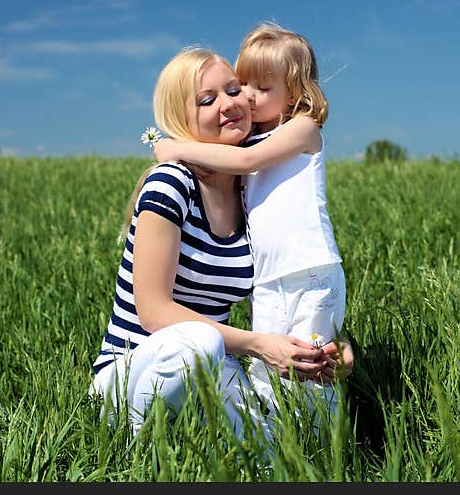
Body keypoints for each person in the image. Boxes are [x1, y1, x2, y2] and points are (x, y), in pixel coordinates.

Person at [90, 46, 353, 440]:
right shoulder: (171, 184)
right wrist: (259, 346)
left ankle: (187, 442)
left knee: (276, 448)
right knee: (199, 343)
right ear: (182, 119)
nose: (231, 104)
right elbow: (154, 312)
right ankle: (132, 441)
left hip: (213, 363)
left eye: (234, 90)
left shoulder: (250, 193)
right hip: (133, 370)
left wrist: (329, 346)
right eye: (207, 100)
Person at [153, 24, 347, 424]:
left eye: (263, 87)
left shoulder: (303, 130)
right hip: (270, 280)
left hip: (309, 269)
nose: (248, 98)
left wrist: (177, 148)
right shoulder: (249, 142)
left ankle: (319, 440)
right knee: (271, 363)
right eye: (246, 85)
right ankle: (279, 436)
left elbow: (244, 163)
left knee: (312, 370)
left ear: (294, 91)